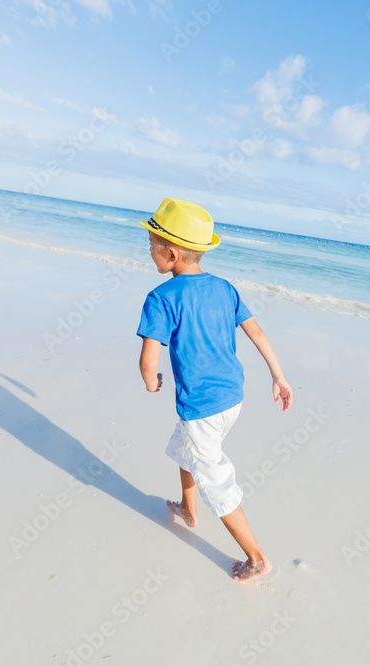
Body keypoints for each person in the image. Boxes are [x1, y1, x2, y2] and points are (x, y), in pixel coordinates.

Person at [136, 198, 293, 582]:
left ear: (171, 254)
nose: (148, 251)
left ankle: (256, 558)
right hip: (231, 397)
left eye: (151, 245)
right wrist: (278, 375)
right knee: (182, 447)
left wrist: (150, 381)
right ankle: (189, 511)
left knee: (217, 481)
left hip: (201, 406)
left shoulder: (161, 298)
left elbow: (147, 361)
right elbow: (256, 332)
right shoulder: (224, 288)